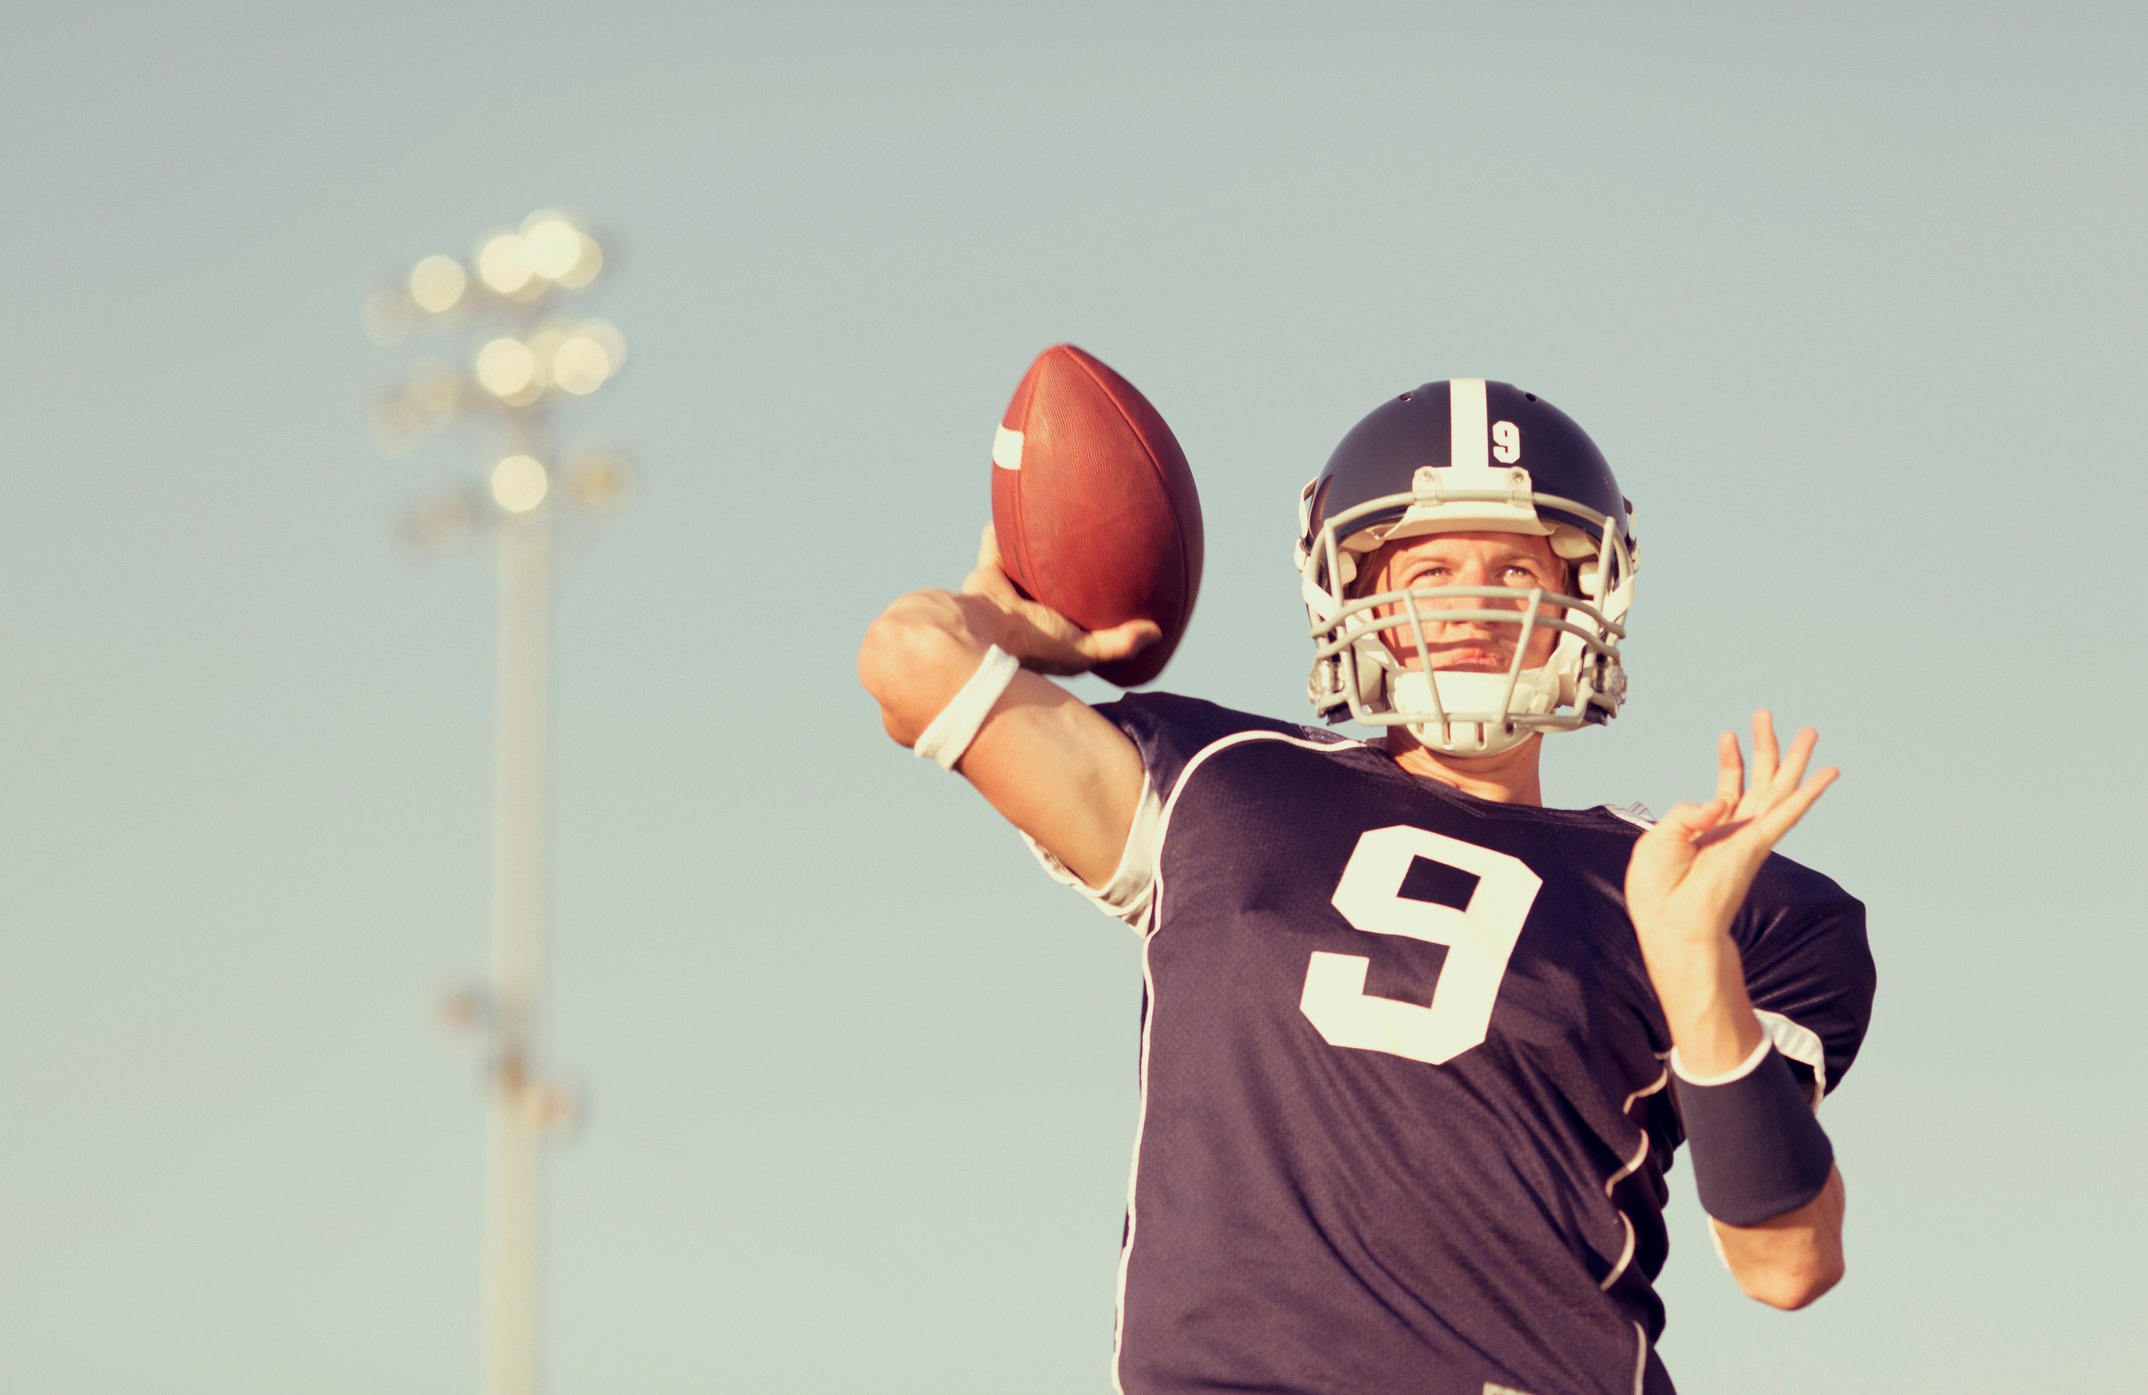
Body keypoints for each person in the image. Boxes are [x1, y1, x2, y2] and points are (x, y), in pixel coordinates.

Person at [858, 379, 1875, 1395]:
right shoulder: (1217, 782)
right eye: (1429, 568)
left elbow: (1787, 1265)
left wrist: (1696, 960)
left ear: (1583, 596)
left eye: (1515, 567)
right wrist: (1003, 618)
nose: (1474, 603)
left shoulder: (1699, 884)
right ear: (1351, 594)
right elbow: (911, 661)